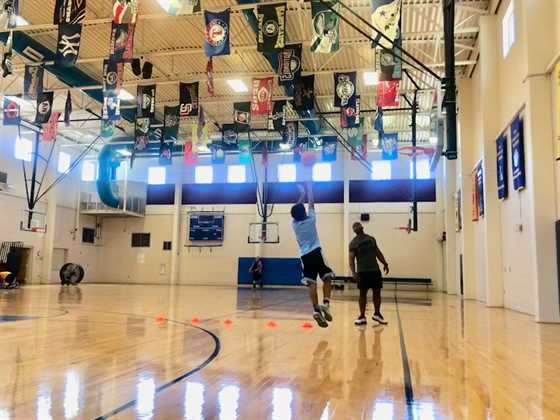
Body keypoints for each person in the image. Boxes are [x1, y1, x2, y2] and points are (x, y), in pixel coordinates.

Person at [291, 181, 335, 328]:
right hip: (316, 252)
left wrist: (301, 195)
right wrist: (309, 189)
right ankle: (326, 304)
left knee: (311, 283)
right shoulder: (311, 219)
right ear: (304, 213)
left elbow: (297, 209)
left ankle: (316, 310)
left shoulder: (295, 224)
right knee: (327, 278)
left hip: (305, 256)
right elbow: (311, 202)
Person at [349, 222, 389, 325]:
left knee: (377, 292)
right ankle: (362, 316)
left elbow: (377, 252)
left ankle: (377, 314)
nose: (357, 227)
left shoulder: (371, 239)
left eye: (358, 226)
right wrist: (354, 273)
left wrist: (385, 263)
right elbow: (351, 259)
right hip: (362, 272)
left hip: (374, 270)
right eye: (355, 227)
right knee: (362, 294)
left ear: (362, 227)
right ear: (354, 230)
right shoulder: (353, 243)